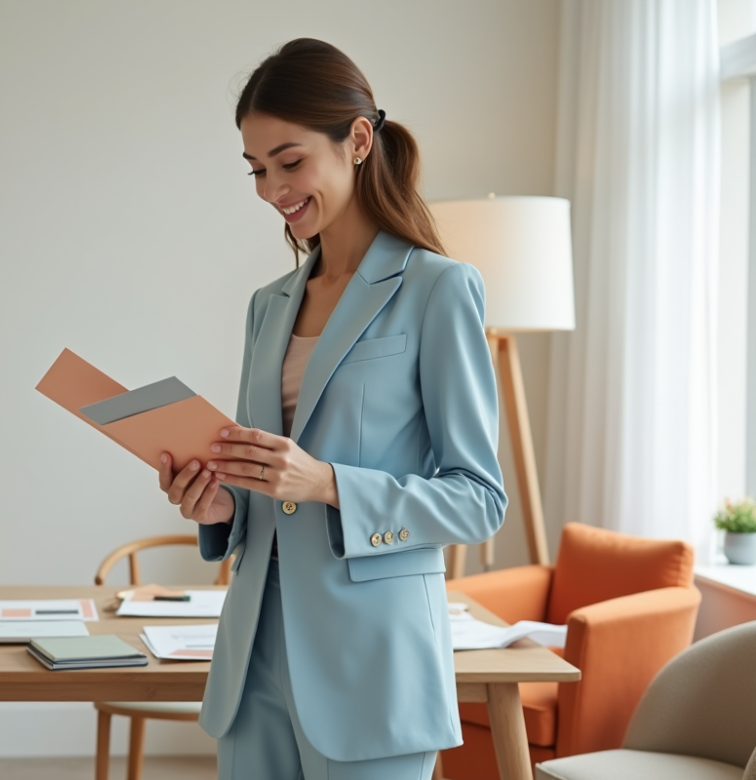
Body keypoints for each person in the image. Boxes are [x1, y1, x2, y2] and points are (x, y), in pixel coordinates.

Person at [157, 38, 508, 780]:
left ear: (356, 141)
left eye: (288, 162)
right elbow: (267, 489)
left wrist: (328, 484)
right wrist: (217, 507)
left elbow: (479, 502)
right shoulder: (267, 306)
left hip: (371, 666)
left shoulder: (439, 290)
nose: (270, 189)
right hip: (254, 656)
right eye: (256, 170)